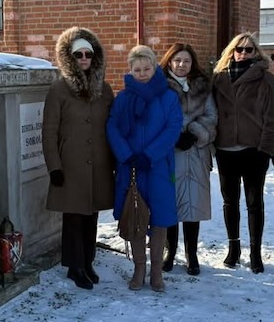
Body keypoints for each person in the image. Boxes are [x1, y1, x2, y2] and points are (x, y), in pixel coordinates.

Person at [42, 27, 115, 290]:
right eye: (78, 54)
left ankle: (88, 260)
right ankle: (75, 266)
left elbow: (113, 127)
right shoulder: (59, 90)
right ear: (70, 58)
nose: (84, 58)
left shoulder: (104, 90)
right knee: (74, 217)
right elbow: (49, 131)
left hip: (99, 164)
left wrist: (116, 161)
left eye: (88, 54)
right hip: (70, 166)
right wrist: (55, 167)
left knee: (92, 215)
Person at [107, 45, 183, 291]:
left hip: (158, 166)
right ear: (130, 70)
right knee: (136, 216)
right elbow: (112, 127)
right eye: (137, 69)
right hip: (131, 168)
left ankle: (157, 271)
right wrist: (125, 154)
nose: (142, 73)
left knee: (159, 220)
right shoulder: (123, 98)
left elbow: (173, 128)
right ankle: (139, 267)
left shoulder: (168, 96)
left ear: (154, 67)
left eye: (146, 68)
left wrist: (150, 155)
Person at [211, 32, 274, 273]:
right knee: (229, 201)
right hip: (225, 149)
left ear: (256, 52)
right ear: (231, 51)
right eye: (238, 49)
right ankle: (234, 248)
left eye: (248, 49)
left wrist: (266, 150)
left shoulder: (266, 80)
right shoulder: (218, 79)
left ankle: (255, 252)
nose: (243, 53)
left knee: (254, 203)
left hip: (253, 150)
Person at [160, 43, 218, 276]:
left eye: (186, 61)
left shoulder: (203, 86)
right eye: (177, 60)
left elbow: (212, 115)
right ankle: (169, 251)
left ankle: (191, 254)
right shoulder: (159, 87)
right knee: (170, 204)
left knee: (193, 204)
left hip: (196, 151)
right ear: (170, 62)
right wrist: (173, 136)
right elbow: (155, 118)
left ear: (192, 64)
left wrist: (194, 131)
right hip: (170, 153)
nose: (182, 65)